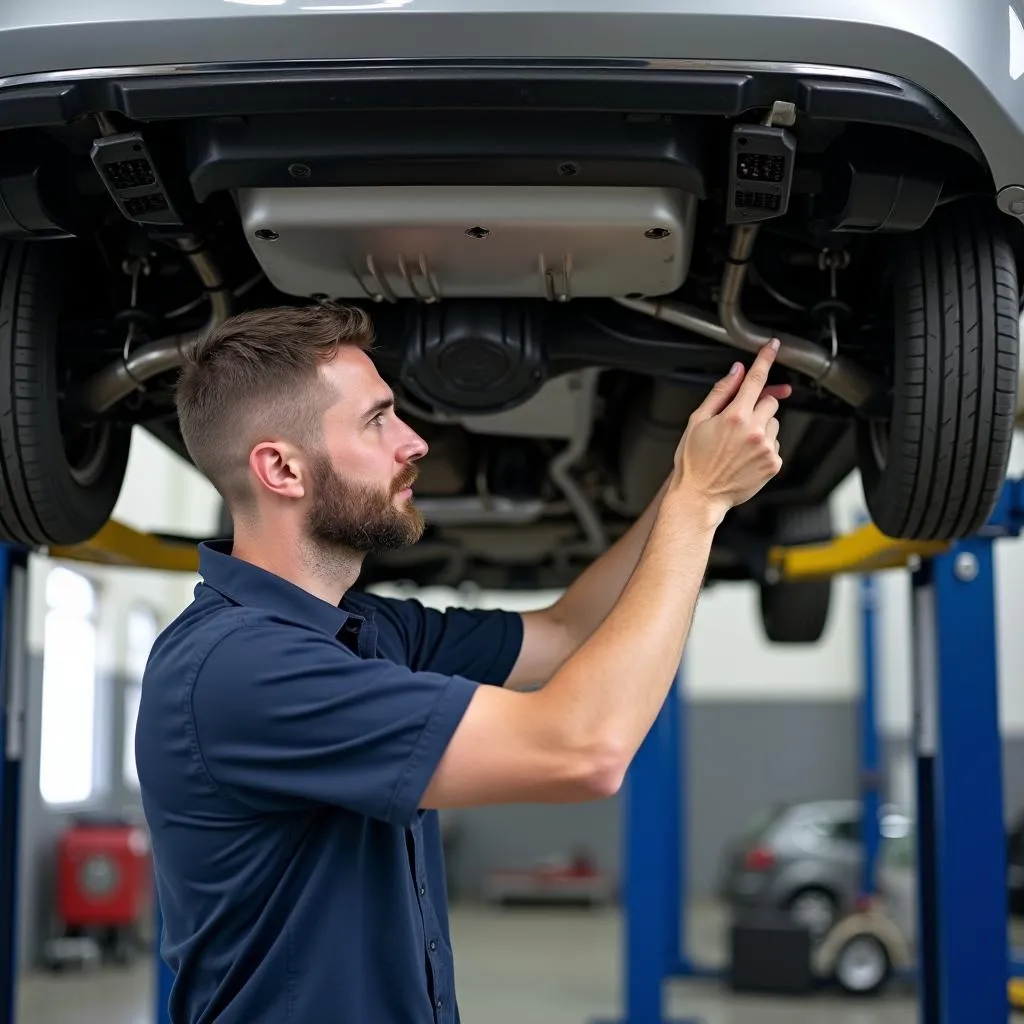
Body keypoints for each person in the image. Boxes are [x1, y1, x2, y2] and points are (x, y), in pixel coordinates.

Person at [135, 302, 790, 1024]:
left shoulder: (363, 630)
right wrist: (700, 505)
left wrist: (686, 476)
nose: (414, 442)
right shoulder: (242, 668)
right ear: (283, 468)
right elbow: (584, 750)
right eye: (377, 420)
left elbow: (568, 629)